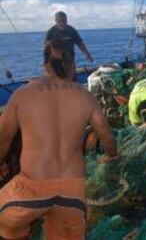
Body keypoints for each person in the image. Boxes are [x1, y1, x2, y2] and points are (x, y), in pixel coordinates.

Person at [0, 40, 117, 239]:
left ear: (44, 65)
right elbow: (105, 134)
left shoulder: (22, 95)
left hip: (29, 189)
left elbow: (3, 140)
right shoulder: (87, 97)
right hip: (71, 192)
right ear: (72, 65)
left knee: (9, 223)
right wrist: (113, 156)